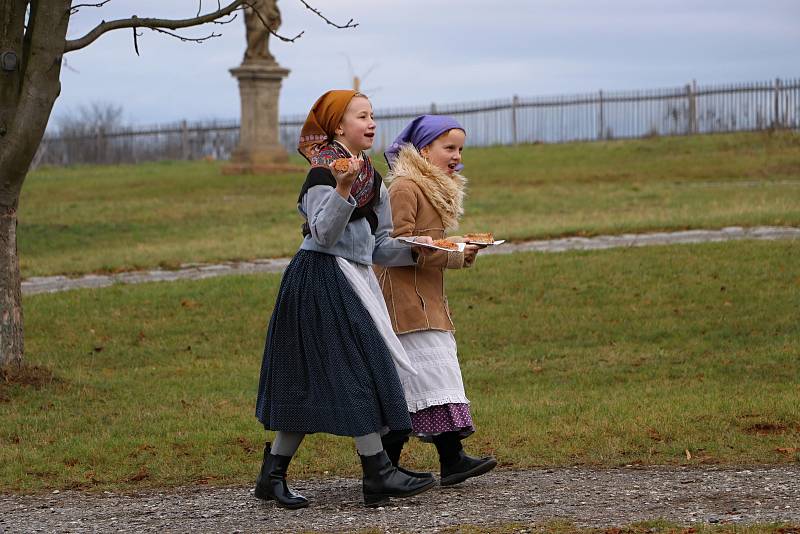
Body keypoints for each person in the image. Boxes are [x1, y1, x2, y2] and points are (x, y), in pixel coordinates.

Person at [253, 90, 436, 509]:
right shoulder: (322, 173)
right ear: (338, 127)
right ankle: (378, 473)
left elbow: (376, 247)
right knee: (353, 373)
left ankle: (275, 475)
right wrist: (341, 186)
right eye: (361, 117)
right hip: (318, 281)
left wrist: (420, 249)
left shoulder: (371, 178)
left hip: (351, 280)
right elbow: (322, 234)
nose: (371, 123)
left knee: (332, 378)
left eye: (373, 116)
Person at [375, 115, 497, 487]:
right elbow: (394, 246)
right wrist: (452, 252)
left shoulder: (430, 187)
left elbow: (428, 248)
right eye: (449, 148)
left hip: (427, 298)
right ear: (424, 150)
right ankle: (386, 469)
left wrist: (459, 252)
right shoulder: (405, 187)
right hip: (405, 302)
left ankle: (451, 459)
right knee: (415, 384)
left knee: (434, 380)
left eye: (460, 148)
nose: (457, 156)